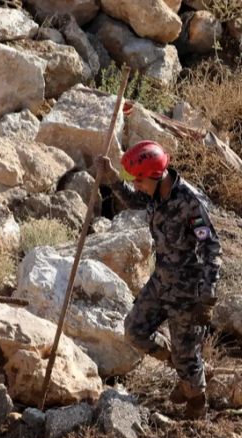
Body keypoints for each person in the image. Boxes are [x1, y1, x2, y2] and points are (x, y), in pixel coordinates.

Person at [96, 140, 222, 420]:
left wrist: (208, 294)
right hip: (162, 278)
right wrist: (112, 177)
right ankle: (184, 367)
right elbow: (134, 200)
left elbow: (211, 246)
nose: (137, 185)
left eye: (139, 180)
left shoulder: (190, 201)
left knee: (187, 351)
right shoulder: (154, 192)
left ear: (155, 175)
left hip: (188, 289)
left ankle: (196, 402)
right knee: (134, 331)